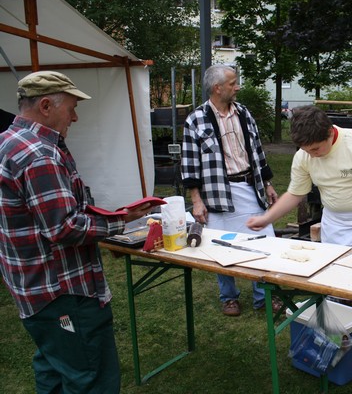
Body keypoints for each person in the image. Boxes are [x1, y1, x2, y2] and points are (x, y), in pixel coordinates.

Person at [0, 71, 152, 393]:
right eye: (71, 108)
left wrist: (107, 219)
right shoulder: (39, 153)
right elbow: (63, 227)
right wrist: (122, 224)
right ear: (45, 105)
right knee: (90, 377)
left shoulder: (8, 142)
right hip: (63, 293)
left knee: (54, 368)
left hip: (32, 289)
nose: (75, 117)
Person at [246, 105, 352, 384]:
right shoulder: (304, 155)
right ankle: (336, 345)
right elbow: (296, 193)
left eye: (316, 149)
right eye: (306, 150)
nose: (312, 155)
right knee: (337, 288)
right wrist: (267, 217)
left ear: (331, 133)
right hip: (335, 223)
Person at [180, 64, 282, 317]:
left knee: (263, 242)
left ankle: (263, 296)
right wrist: (196, 200)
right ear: (217, 88)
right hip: (217, 194)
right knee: (220, 247)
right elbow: (189, 163)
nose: (237, 87)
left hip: (249, 186)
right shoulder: (196, 120)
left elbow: (257, 151)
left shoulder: (244, 114)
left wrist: (267, 183)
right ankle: (229, 298)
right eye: (232, 83)